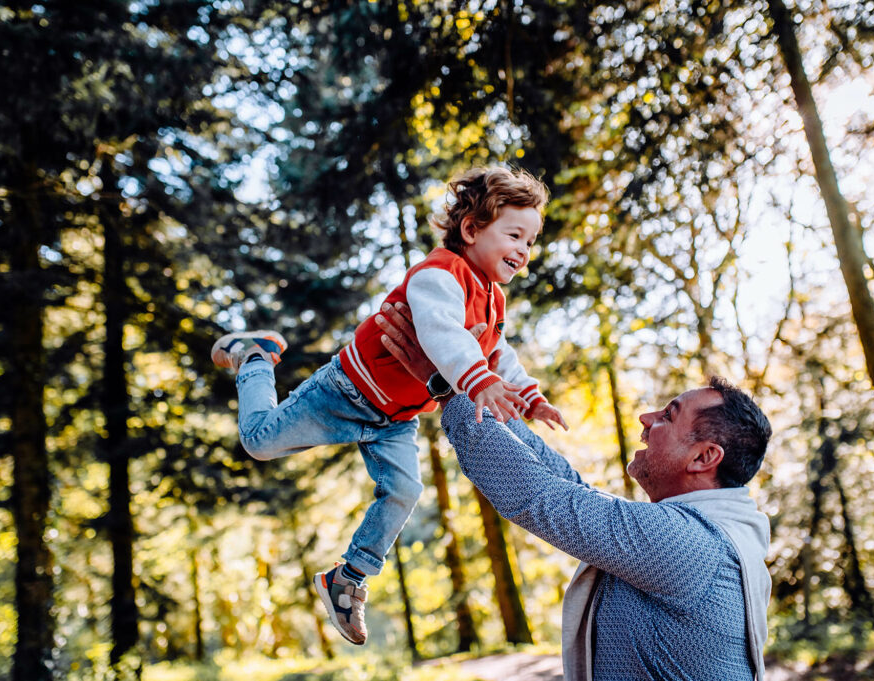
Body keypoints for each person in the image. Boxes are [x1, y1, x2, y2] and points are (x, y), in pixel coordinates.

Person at [209, 166, 567, 645]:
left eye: (531, 241)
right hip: (345, 393)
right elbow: (444, 334)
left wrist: (530, 396)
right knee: (259, 442)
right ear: (471, 229)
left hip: (395, 420)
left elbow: (499, 354)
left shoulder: (493, 301)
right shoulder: (439, 274)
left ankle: (348, 577)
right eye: (515, 235)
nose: (524, 250)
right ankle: (254, 357)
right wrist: (477, 379)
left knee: (404, 490)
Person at [375, 301, 773, 680]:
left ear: (704, 457)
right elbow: (566, 486)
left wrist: (444, 382)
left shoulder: (688, 543)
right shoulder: (697, 533)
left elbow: (537, 495)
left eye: (668, 416)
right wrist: (479, 389)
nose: (646, 418)